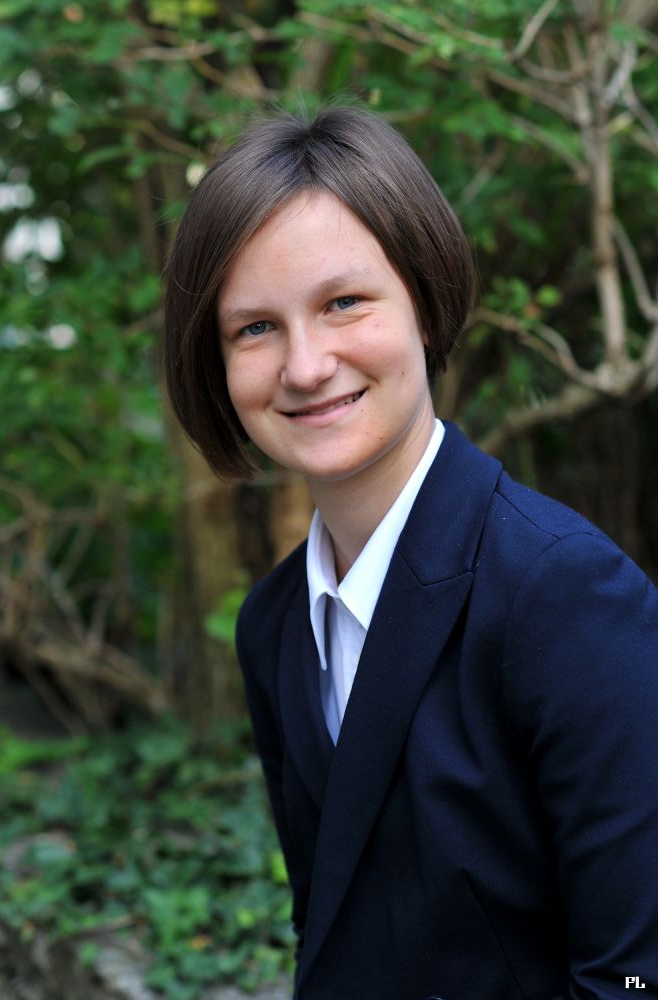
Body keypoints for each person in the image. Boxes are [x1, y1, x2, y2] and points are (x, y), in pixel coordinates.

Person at [163, 105, 658, 1000]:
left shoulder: (561, 593)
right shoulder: (273, 623)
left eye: (342, 303)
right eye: (254, 328)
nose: (304, 366)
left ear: (424, 303)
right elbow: (325, 929)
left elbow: (635, 976)